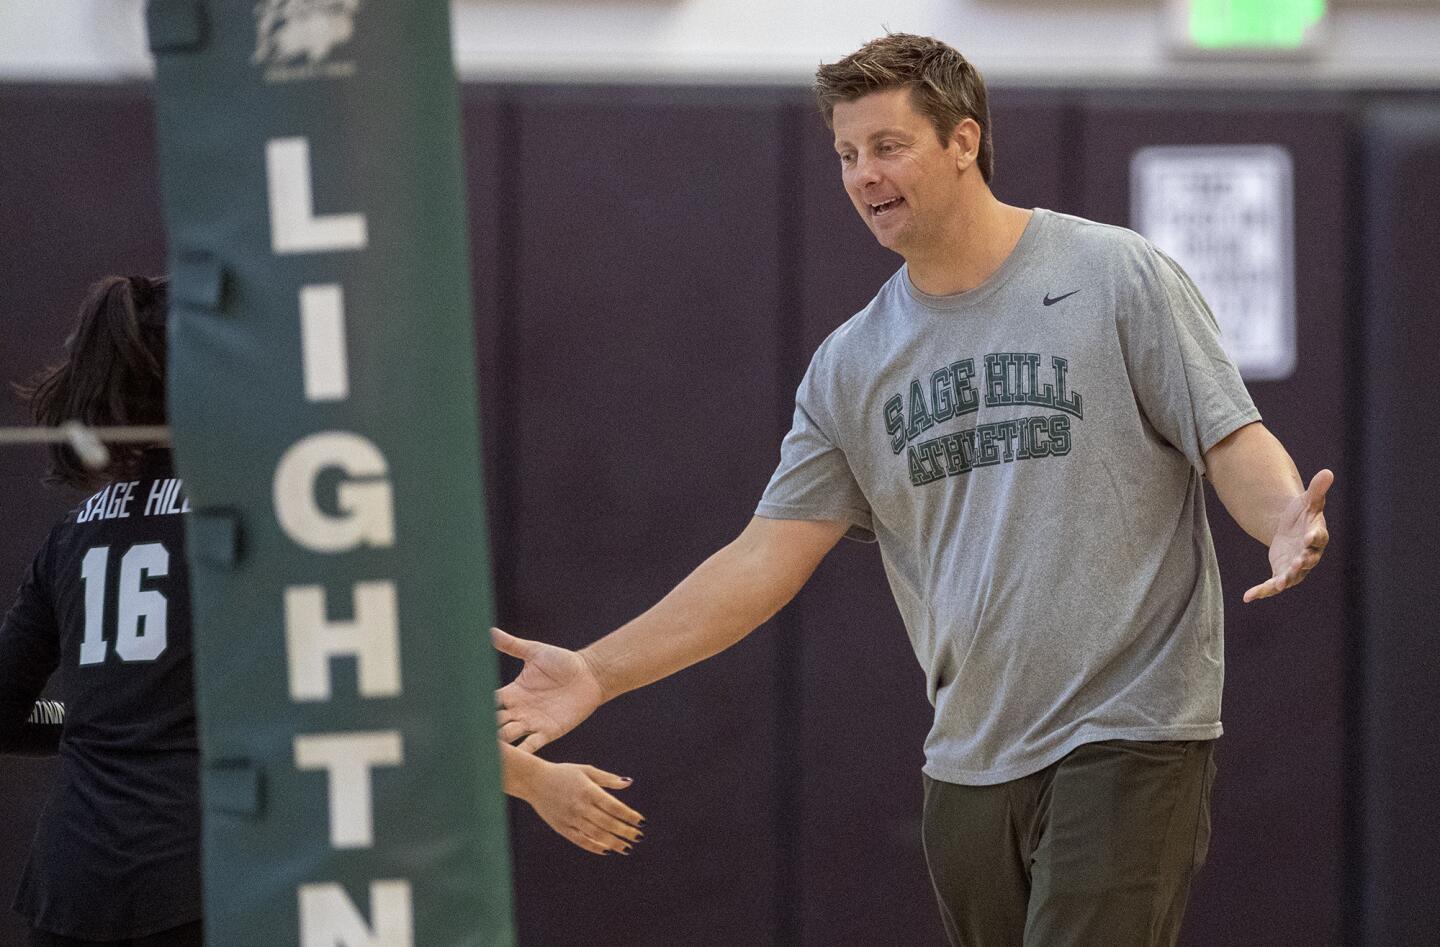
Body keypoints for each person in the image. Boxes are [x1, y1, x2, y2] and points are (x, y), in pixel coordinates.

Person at [491, 33, 1331, 947]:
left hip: (1129, 730)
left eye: (887, 146)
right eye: (847, 155)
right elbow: (764, 557)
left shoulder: (1115, 274)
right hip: (968, 763)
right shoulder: (853, 364)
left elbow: (1229, 438)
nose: (863, 175)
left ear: (962, 141)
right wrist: (598, 670)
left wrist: (1280, 517)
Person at [1, 278, 642, 947]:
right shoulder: (265, 516)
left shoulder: (74, 533)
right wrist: (537, 780)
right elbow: (371, 701)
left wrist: (99, 717)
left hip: (68, 890)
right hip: (211, 886)